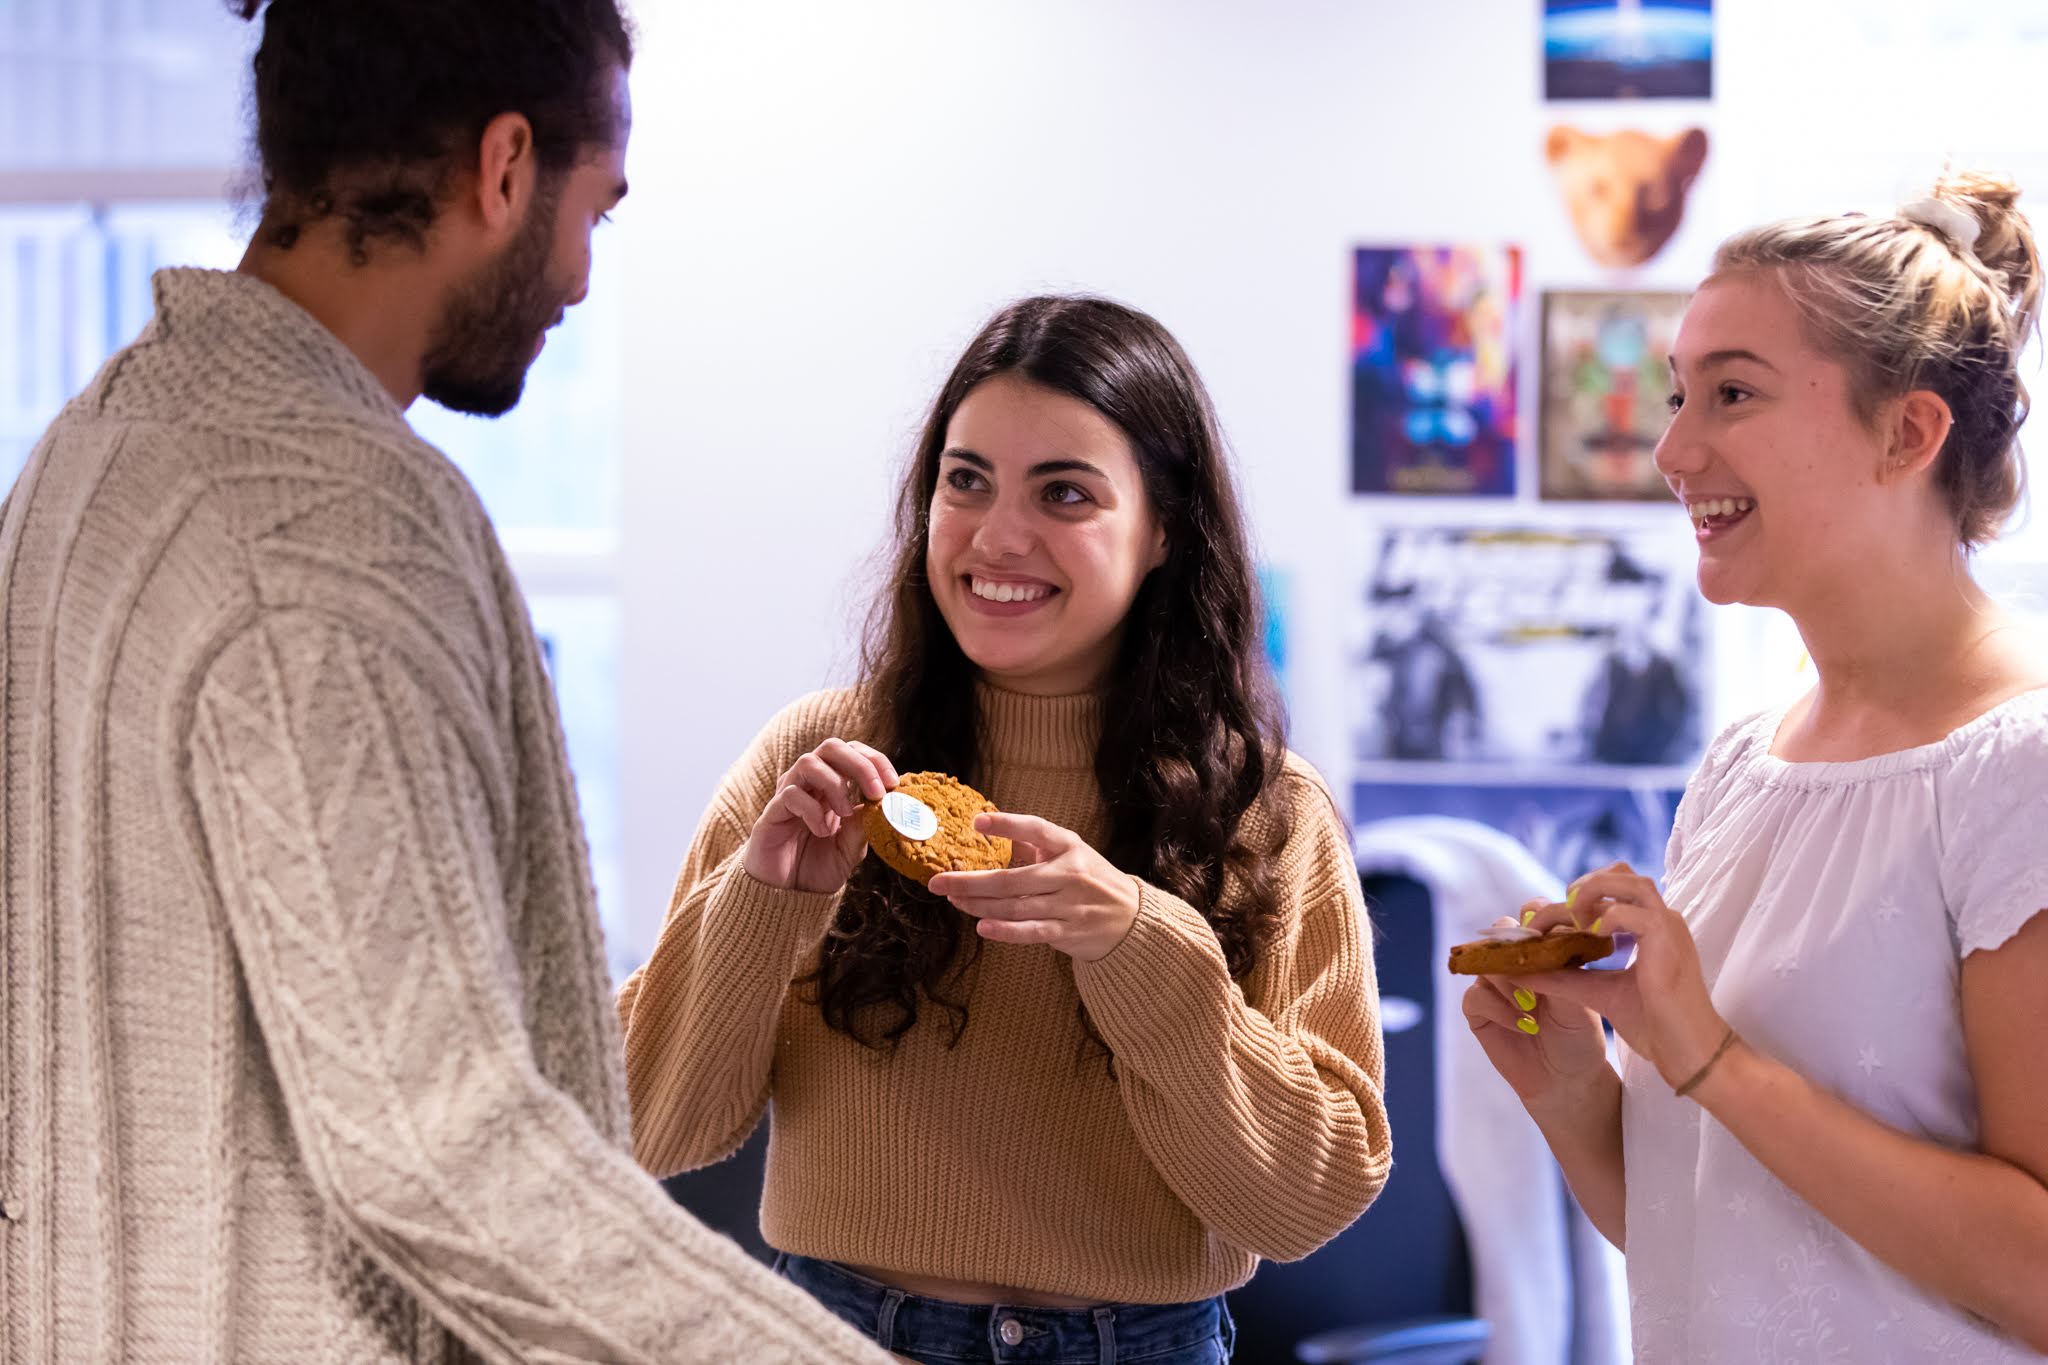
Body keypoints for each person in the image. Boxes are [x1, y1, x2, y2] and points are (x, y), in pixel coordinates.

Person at [0, 1, 889, 1360]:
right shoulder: (328, 523)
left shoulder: (90, 455)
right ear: (505, 166)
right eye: (598, 211)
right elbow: (440, 1148)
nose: (585, 276)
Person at [619, 296, 1392, 1365]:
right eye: (964, 480)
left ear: (1163, 529)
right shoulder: (818, 764)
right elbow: (654, 1127)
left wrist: (1139, 946)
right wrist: (765, 901)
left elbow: (1304, 1204)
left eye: (1064, 493)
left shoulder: (1267, 813)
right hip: (831, 1333)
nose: (996, 537)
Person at [1465, 172, 2048, 1359]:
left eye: (1731, 394)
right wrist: (1577, 1095)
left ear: (1908, 431)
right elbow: (1711, 1241)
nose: (1673, 449)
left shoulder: (2020, 770)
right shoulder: (1740, 765)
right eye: (1679, 396)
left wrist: (1712, 1061)